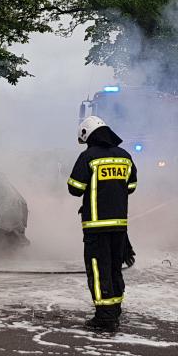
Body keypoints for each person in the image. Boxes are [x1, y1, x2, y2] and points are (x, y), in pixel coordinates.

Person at [67, 115, 137, 332]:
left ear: (89, 136)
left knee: (99, 269)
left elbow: (74, 188)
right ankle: (115, 309)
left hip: (96, 227)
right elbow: (131, 186)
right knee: (115, 267)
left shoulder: (88, 157)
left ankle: (104, 317)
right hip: (119, 225)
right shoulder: (124, 156)